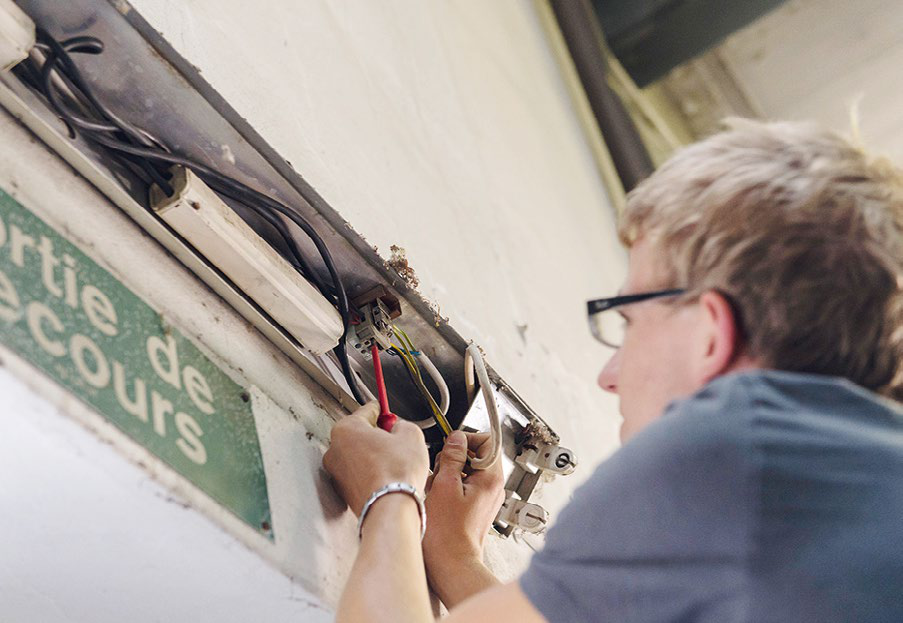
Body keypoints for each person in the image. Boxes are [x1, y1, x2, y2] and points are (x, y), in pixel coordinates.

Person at [323, 119, 903, 622]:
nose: (610, 375)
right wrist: (452, 553)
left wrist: (391, 494)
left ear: (709, 336)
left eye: (629, 324)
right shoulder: (843, 505)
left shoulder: (733, 453)